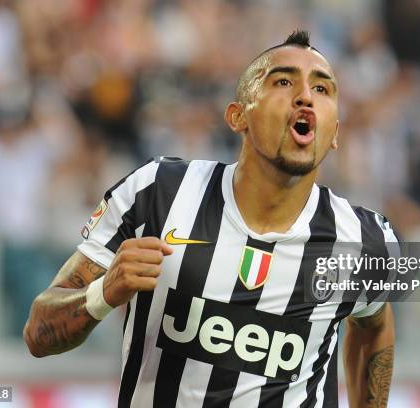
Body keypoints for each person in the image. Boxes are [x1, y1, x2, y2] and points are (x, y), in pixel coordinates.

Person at [24, 31, 396, 408]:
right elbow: (38, 333)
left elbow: (375, 328)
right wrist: (102, 295)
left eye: (322, 89)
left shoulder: (362, 241)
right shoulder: (158, 192)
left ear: (334, 133)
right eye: (283, 81)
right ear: (237, 117)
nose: (305, 96)